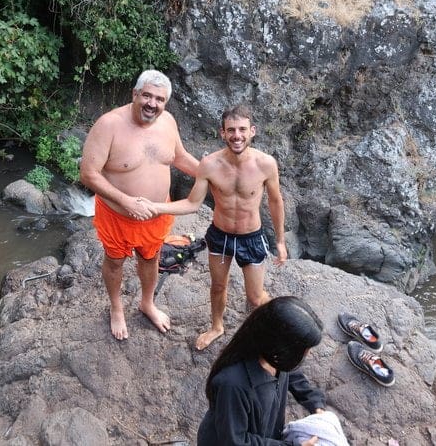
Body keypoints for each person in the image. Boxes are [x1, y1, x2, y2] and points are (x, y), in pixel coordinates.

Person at [148, 104, 288, 350]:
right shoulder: (210, 164)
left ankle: (279, 319)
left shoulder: (266, 164)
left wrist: (280, 241)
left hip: (251, 237)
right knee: (218, 286)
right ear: (222, 133)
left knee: (255, 298)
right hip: (220, 237)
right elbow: (192, 203)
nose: (237, 135)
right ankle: (216, 327)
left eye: (242, 129)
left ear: (252, 131)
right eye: (231, 130)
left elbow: (276, 201)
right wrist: (156, 207)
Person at [79, 69, 199, 340]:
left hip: (157, 213)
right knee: (115, 261)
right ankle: (116, 307)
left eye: (159, 99)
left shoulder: (167, 121)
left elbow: (179, 157)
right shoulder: (108, 125)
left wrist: (210, 173)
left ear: (165, 103)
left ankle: (147, 303)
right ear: (135, 94)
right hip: (117, 215)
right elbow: (88, 173)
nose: (152, 104)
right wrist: (126, 201)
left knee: (151, 256)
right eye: (147, 95)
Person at [197, 296, 326, 446]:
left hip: (265, 432)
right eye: (303, 349)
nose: (307, 354)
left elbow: (291, 373)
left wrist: (314, 402)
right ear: (281, 346)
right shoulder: (232, 385)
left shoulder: (275, 357)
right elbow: (235, 441)